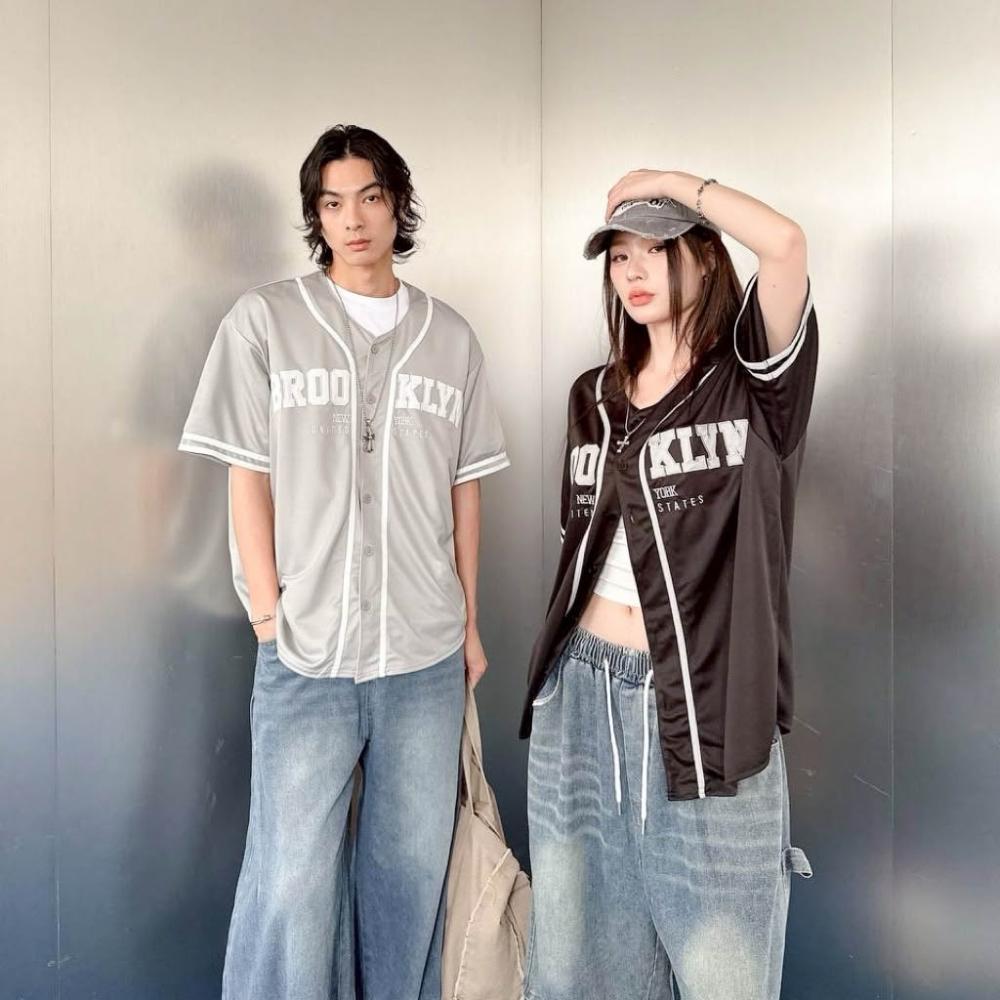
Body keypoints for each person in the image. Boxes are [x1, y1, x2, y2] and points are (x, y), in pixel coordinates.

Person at [178, 124, 510, 1000]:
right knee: (289, 882)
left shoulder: (451, 339)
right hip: (306, 652)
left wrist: (471, 623)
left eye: (369, 197)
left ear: (397, 205)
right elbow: (246, 475)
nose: (352, 220)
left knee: (408, 882)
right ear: (315, 217)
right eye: (332, 203)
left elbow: (464, 490)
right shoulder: (265, 322)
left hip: (424, 657)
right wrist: (267, 614)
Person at [519, 172, 817, 1000]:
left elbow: (786, 244)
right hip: (582, 697)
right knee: (578, 966)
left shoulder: (753, 384)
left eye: (658, 248)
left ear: (705, 258)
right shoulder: (592, 396)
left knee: (725, 967)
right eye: (620, 255)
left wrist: (667, 183)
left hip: (706, 703)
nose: (635, 270)